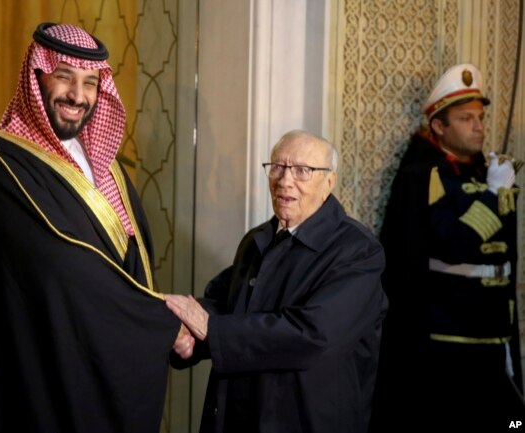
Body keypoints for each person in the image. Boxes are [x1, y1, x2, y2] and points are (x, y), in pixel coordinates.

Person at [0, 22, 181, 433]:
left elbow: (132, 253)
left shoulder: (105, 164)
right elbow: (58, 266)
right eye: (64, 78)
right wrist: (161, 322)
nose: (78, 96)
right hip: (33, 367)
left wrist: (154, 318)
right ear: (37, 76)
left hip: (93, 356)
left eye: (91, 83)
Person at [165, 130, 388, 433]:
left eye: (303, 171)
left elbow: (313, 336)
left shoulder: (357, 251)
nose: (285, 181)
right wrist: (185, 333)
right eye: (278, 168)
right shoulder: (257, 240)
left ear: (329, 182)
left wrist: (211, 330)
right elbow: (226, 306)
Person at [371, 63, 524, 431]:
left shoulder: (481, 169)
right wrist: (495, 194)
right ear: (439, 126)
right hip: (450, 338)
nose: (479, 125)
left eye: (480, 117)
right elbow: (455, 243)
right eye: (465, 118)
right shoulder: (424, 175)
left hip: (494, 331)